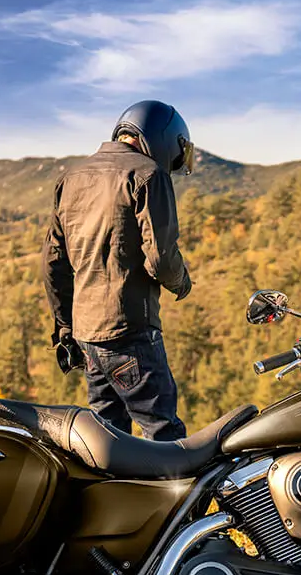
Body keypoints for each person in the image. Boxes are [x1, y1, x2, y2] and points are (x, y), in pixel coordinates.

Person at [41, 100, 195, 440]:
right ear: (164, 138)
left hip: (87, 335)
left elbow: (54, 263)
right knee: (164, 435)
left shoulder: (71, 178)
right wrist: (182, 283)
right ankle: (178, 495)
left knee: (108, 441)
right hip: (130, 332)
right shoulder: (147, 174)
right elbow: (161, 258)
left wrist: (66, 328)